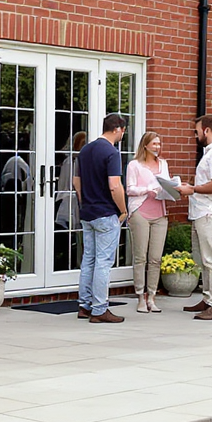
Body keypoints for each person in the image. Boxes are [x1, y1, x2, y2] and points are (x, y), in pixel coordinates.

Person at [178, 114, 212, 320]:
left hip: (211, 213)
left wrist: (192, 189)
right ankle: (209, 298)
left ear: (207, 130)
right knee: (204, 259)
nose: (195, 135)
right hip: (203, 212)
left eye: (197, 131)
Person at [74, 113, 129, 323]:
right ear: (117, 129)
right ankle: (99, 309)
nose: (123, 134)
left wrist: (83, 202)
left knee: (89, 259)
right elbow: (114, 185)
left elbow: (76, 182)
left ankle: (84, 305)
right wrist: (123, 210)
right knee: (103, 263)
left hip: (87, 213)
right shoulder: (111, 153)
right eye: (123, 130)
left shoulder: (85, 150)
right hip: (106, 213)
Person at [125, 131, 171, 313]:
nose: (157, 147)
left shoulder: (163, 164)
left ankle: (152, 296)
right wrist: (147, 189)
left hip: (160, 213)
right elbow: (129, 189)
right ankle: (140, 296)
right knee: (140, 257)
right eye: (154, 144)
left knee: (155, 259)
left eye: (159, 144)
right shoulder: (134, 165)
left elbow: (167, 185)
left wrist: (170, 189)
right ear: (145, 145)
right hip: (140, 213)